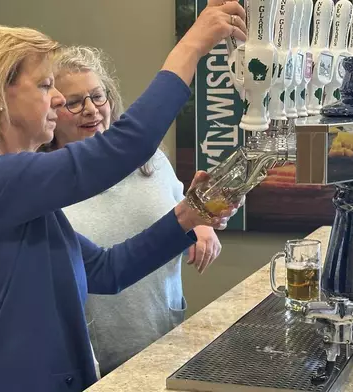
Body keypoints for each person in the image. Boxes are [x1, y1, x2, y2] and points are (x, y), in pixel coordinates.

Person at [0, 2, 247, 391]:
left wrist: (189, 214)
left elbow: (108, 270)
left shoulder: (14, 192)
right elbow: (123, 146)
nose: (60, 100)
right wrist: (193, 46)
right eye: (45, 85)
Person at [46, 45, 224, 376]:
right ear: (51, 113)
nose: (91, 109)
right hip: (96, 360)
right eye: (74, 102)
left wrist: (202, 225)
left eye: (98, 97)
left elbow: (179, 214)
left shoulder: (152, 162)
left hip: (163, 339)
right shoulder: (44, 186)